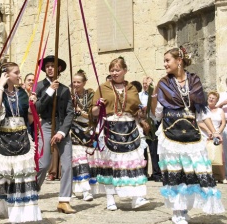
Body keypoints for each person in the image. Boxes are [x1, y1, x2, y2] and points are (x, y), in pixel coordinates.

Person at [151, 47, 225, 223]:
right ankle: (177, 211)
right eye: (164, 61)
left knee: (192, 172)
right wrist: (154, 99)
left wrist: (214, 131)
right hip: (170, 133)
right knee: (175, 172)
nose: (165, 64)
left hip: (191, 133)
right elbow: (158, 114)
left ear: (179, 61)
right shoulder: (163, 83)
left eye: (168, 60)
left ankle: (184, 209)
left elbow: (201, 111)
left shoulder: (194, 81)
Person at [0, 62, 42, 223]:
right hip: (2, 140)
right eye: (16, 72)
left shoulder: (22, 93)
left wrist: (32, 105)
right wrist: (0, 86)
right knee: (0, 176)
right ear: (6, 75)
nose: (19, 75)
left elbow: (29, 120)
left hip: (22, 140)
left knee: (20, 177)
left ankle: (19, 213)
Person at [91, 57, 150, 211]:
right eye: (112, 70)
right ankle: (110, 198)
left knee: (134, 162)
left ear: (125, 71)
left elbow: (137, 111)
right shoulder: (103, 87)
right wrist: (98, 106)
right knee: (111, 164)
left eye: (117, 70)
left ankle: (137, 197)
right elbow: (93, 112)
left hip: (130, 127)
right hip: (110, 127)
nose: (114, 73)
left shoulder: (131, 88)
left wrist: (142, 112)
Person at [34, 55, 76, 214]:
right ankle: (31, 193)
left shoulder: (65, 89)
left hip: (61, 128)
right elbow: (37, 108)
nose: (50, 68)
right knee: (43, 164)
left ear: (59, 69)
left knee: (67, 164)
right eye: (48, 66)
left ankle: (64, 200)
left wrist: (61, 132)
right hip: (46, 125)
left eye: (53, 66)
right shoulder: (39, 87)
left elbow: (69, 113)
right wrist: (50, 91)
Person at [70, 69, 98, 201]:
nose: (76, 84)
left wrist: (80, 111)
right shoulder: (70, 95)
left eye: (78, 82)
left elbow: (92, 114)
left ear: (84, 82)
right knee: (78, 160)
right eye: (74, 82)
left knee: (89, 161)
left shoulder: (91, 94)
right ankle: (81, 189)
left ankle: (88, 189)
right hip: (75, 131)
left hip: (89, 130)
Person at [199, 91, 226, 182]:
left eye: (213, 98)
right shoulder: (203, 109)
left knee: (219, 156)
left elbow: (223, 122)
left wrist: (218, 131)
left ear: (216, 101)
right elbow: (199, 122)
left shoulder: (220, 110)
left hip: (217, 135)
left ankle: (223, 177)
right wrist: (208, 131)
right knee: (206, 156)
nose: (211, 99)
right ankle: (208, 176)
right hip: (205, 135)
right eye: (210, 97)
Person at [138, 76, 162, 182]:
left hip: (153, 123)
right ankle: (144, 173)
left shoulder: (156, 96)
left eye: (147, 83)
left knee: (154, 150)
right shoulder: (139, 95)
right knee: (143, 149)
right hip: (142, 123)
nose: (145, 85)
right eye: (143, 83)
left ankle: (156, 173)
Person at [216, 78, 227, 183]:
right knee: (224, 151)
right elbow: (214, 107)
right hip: (225, 125)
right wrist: (222, 103)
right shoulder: (222, 95)